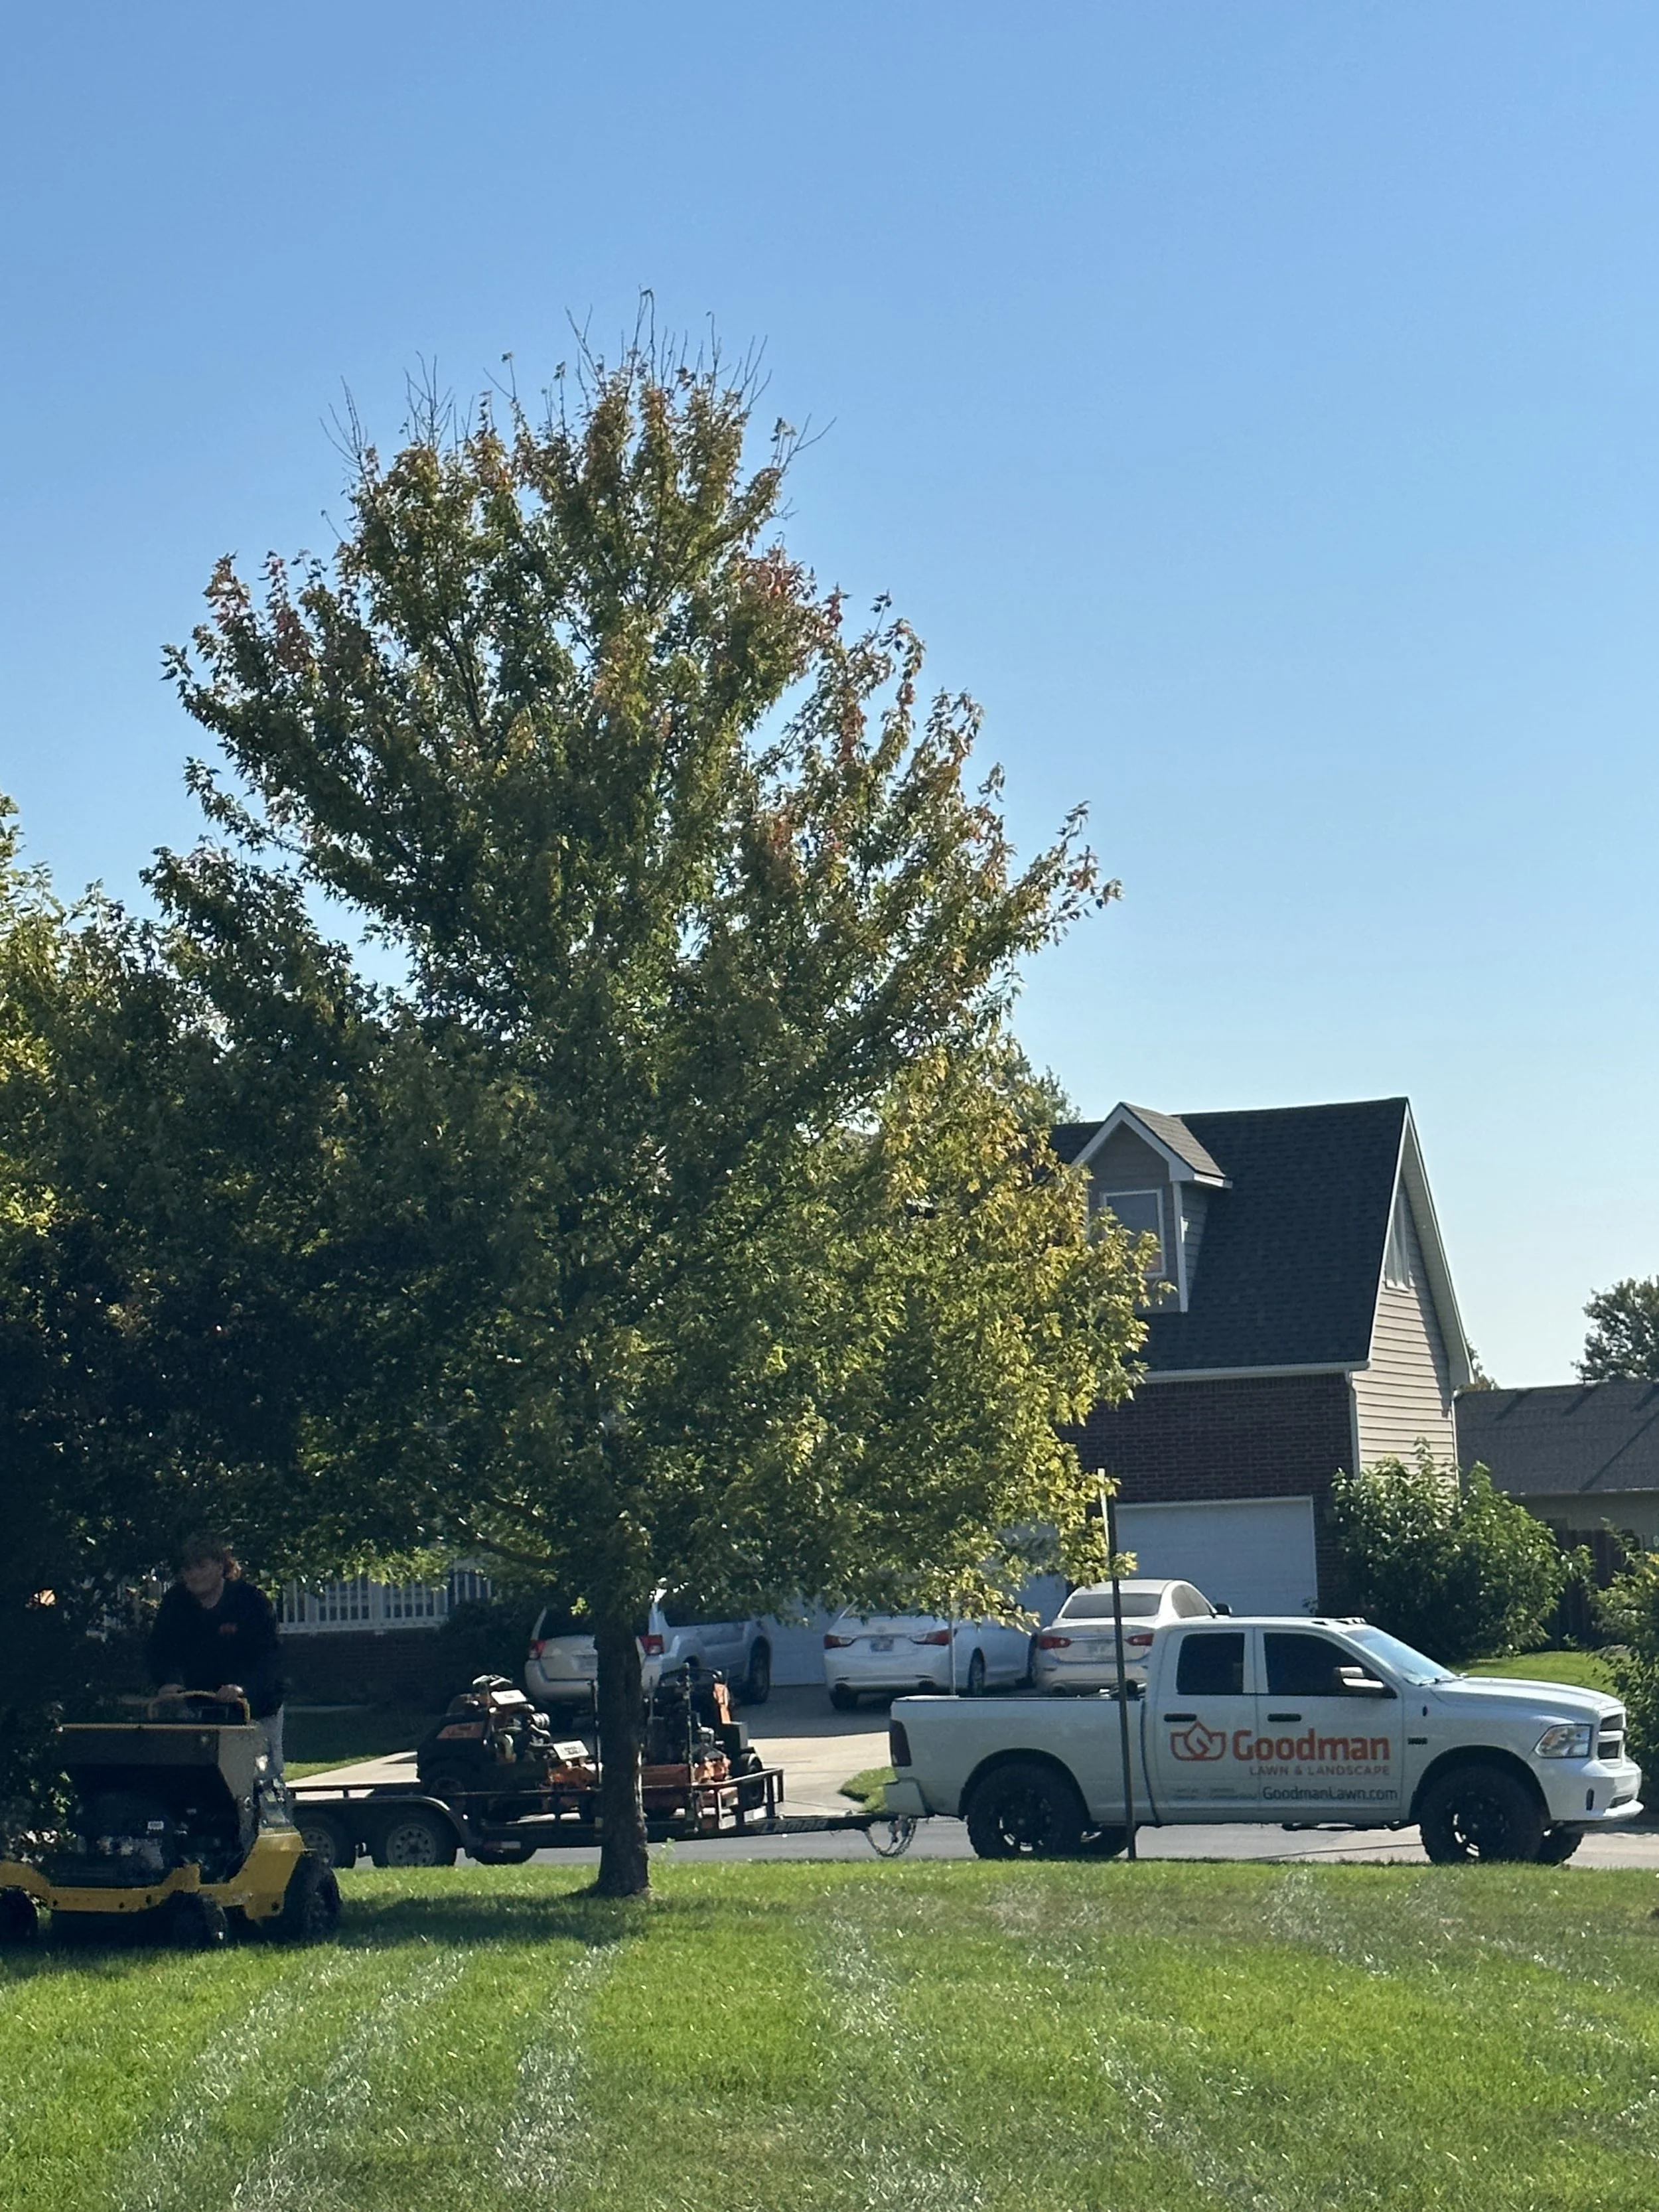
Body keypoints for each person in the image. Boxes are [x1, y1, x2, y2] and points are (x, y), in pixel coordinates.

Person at [149, 1533, 288, 1777]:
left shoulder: (250, 1601)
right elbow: (161, 1649)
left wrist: (242, 1688)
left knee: (261, 1779)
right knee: (197, 1777)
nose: (194, 1575)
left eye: (201, 1566)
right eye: (188, 1569)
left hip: (254, 1708)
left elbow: (267, 1658)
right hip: (197, 1706)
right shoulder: (175, 1603)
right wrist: (169, 1681)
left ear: (220, 1566)